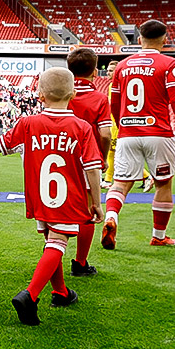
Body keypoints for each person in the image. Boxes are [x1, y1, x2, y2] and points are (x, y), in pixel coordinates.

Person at [0, 68, 103, 326]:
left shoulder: (28, 123)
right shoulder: (82, 127)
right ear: (73, 93)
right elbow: (92, 167)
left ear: (40, 94)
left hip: (40, 196)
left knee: (51, 242)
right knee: (57, 243)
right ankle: (30, 295)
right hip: (68, 195)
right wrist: (97, 202)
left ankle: (61, 292)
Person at [101, 19, 175, 250]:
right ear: (165, 40)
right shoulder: (170, 63)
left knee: (119, 183)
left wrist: (124, 125)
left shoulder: (122, 65)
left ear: (139, 40)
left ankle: (112, 217)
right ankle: (159, 236)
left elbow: (115, 103)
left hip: (128, 132)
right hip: (158, 132)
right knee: (163, 184)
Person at [65, 47, 112, 276]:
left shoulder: (60, 93)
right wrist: (101, 158)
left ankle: (52, 253)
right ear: (95, 71)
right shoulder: (100, 98)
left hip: (60, 156)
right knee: (87, 211)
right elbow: (105, 134)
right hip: (86, 159)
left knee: (58, 208)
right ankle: (80, 262)